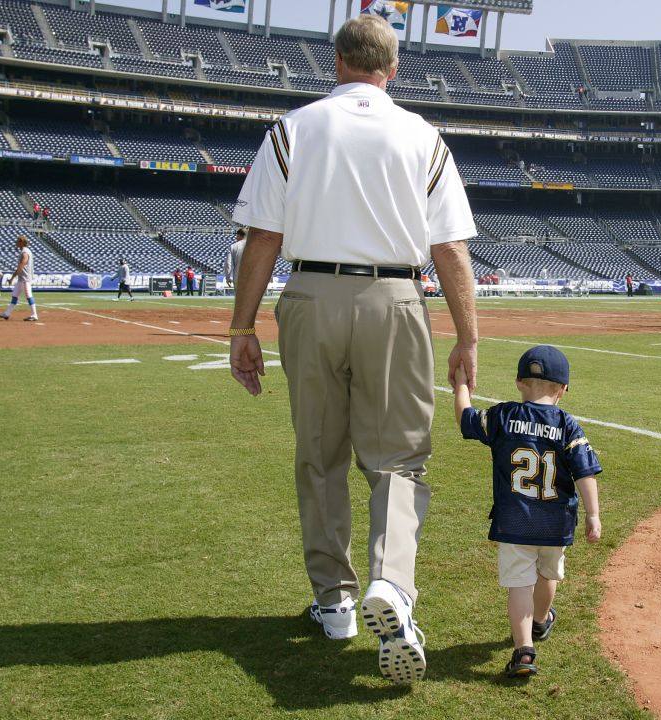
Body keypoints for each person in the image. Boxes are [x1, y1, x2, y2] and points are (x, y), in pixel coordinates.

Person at [226, 14, 477, 685]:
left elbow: (263, 239)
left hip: (309, 295)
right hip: (395, 299)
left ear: (336, 61)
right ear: (392, 69)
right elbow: (450, 248)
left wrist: (241, 327)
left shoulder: (292, 128)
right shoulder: (423, 136)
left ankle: (333, 601)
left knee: (320, 454)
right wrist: (468, 337)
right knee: (397, 458)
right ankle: (391, 584)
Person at [454, 345, 602, 678]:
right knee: (548, 574)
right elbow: (585, 473)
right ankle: (540, 620)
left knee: (520, 585)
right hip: (555, 523)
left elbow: (465, 419)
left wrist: (461, 385)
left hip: (515, 520)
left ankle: (524, 652)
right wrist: (593, 515)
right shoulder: (567, 425)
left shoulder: (504, 416)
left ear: (520, 382)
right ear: (562, 389)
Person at [0, 234, 38, 321]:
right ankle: (7, 314)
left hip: (25, 279)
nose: (16, 243)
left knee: (29, 296)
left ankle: (34, 315)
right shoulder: (25, 251)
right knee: (15, 296)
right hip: (21, 279)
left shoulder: (25, 252)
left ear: (21, 242)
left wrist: (12, 278)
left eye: (17, 241)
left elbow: (21, 266)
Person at [226, 227, 247, 296]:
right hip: (252, 278)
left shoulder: (233, 246)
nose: (236, 238)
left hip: (238, 278)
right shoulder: (254, 246)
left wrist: (228, 277)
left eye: (236, 236)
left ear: (239, 235)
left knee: (240, 300)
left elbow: (228, 264)